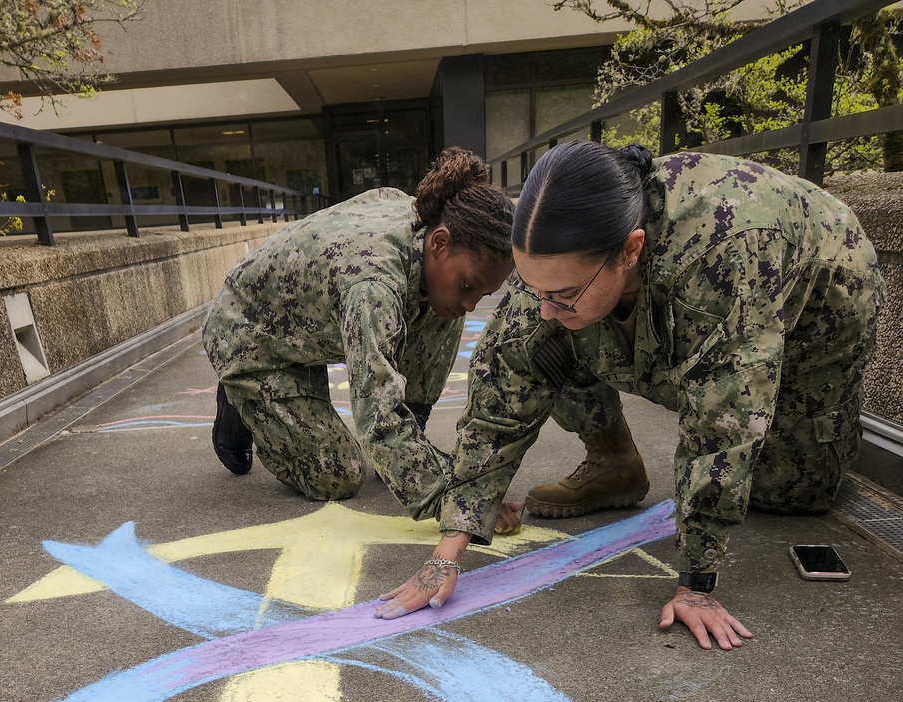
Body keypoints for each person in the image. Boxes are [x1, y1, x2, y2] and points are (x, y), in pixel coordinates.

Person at [376, 143, 885, 650]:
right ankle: (615, 464)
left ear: (630, 250)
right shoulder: (559, 273)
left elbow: (725, 418)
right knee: (552, 338)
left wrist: (697, 584)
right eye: (535, 289)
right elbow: (499, 403)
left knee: (788, 491)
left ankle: (816, 435)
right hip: (686, 296)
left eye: (563, 293)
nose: (546, 308)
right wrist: (449, 550)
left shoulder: (723, 253)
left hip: (818, 309)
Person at [202, 147, 516, 526]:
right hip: (248, 336)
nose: (471, 304)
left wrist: (407, 450)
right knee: (339, 474)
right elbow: (377, 416)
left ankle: (409, 432)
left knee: (443, 307)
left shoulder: (426, 219)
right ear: (439, 242)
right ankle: (241, 398)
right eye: (469, 285)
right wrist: (457, 499)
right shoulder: (374, 286)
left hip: (302, 324)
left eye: (482, 295)